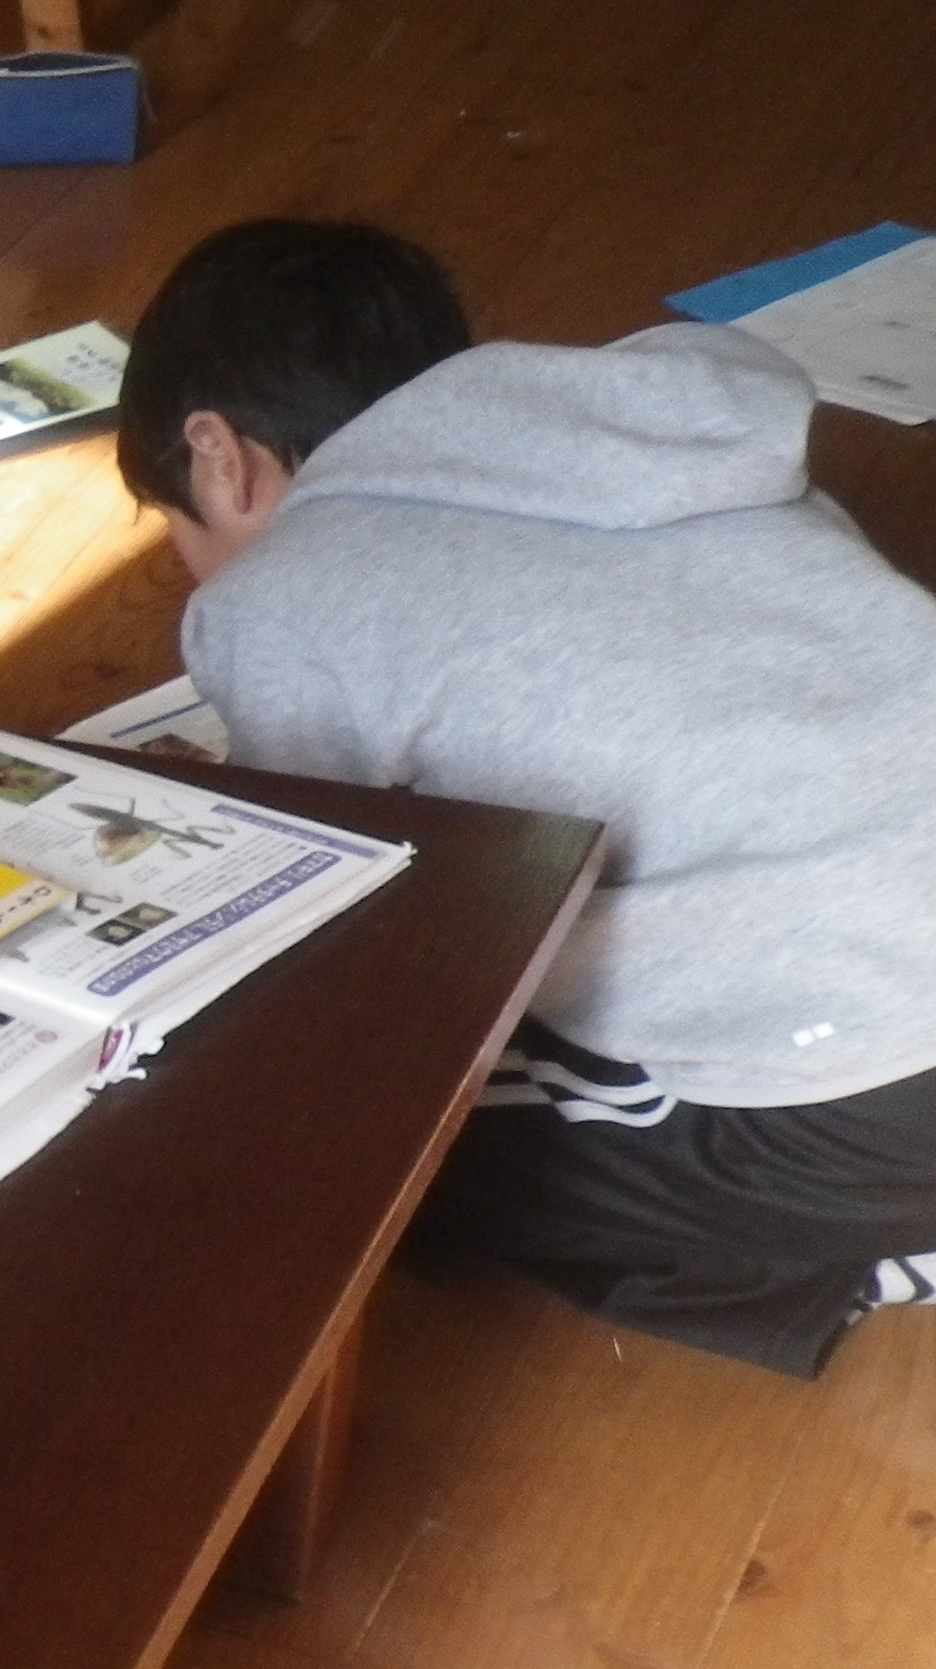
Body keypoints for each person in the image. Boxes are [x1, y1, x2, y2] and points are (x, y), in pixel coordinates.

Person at [124, 215, 936, 1376]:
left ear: (218, 456)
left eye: (174, 527)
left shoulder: (281, 596)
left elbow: (351, 934)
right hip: (895, 981)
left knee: (342, 1151)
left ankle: (875, 1254)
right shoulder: (669, 422)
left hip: (880, 1084)